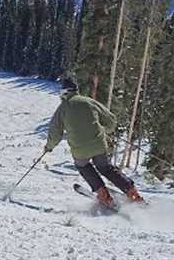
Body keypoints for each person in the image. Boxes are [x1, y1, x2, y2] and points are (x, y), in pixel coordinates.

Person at [44, 77, 143, 207]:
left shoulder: (62, 108)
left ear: (63, 92)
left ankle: (104, 195)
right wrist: (105, 129)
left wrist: (49, 147)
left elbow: (55, 132)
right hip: (99, 145)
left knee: (83, 167)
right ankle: (133, 194)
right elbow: (111, 120)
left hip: (80, 150)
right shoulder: (89, 102)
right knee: (106, 168)